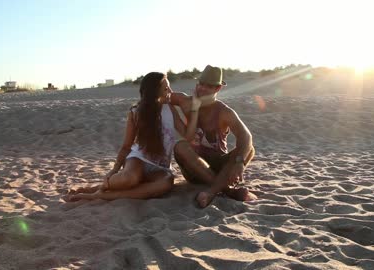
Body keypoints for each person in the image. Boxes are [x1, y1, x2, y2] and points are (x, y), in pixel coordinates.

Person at [63, 72, 201, 202]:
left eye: (170, 87)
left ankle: (103, 195)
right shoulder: (136, 112)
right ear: (154, 92)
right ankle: (99, 187)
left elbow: (188, 136)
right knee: (130, 179)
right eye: (166, 89)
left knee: (165, 183)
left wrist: (194, 110)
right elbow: (126, 146)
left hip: (160, 166)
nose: (170, 92)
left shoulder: (170, 109)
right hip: (138, 160)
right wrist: (114, 169)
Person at [170, 65, 258, 208]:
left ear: (217, 89)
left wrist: (239, 162)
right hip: (192, 168)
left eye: (209, 86)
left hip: (218, 166)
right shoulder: (185, 101)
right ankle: (227, 191)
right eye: (201, 84)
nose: (202, 89)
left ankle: (211, 191)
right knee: (180, 147)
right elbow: (160, 94)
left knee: (249, 149)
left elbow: (245, 135)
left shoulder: (224, 111)